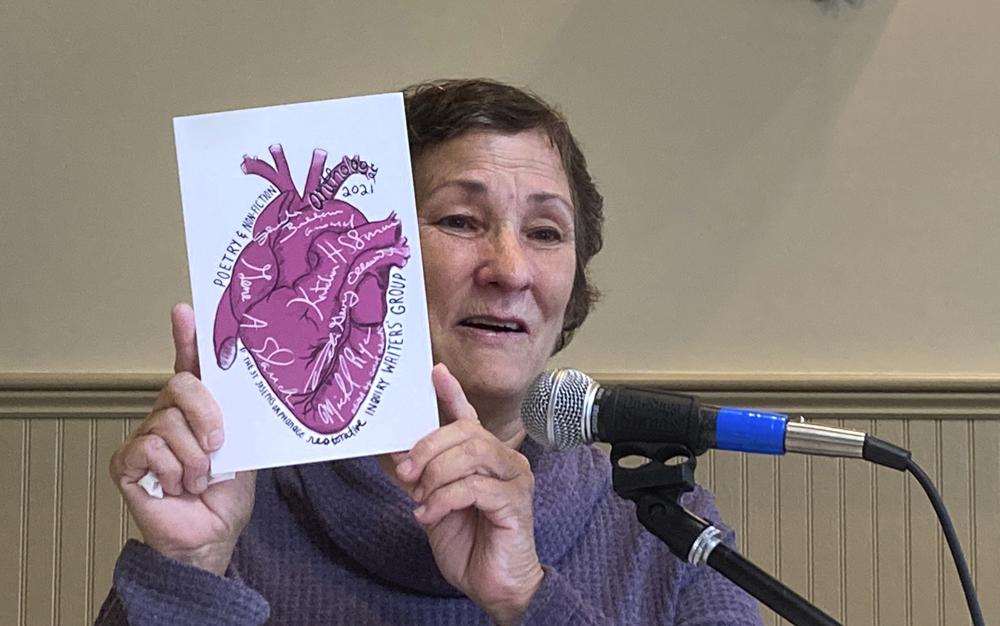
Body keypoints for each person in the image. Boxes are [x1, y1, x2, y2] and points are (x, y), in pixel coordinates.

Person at [97, 79, 763, 625]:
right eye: (459, 222)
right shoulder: (237, 509)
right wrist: (188, 575)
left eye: (545, 231)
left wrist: (527, 597)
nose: (509, 269)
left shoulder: (667, 529)